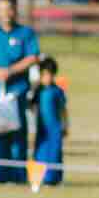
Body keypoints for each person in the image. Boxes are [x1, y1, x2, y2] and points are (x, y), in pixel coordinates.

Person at [0, 0, 40, 184]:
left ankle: (17, 175)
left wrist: (10, 71)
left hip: (17, 91)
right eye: (2, 9)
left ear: (15, 11)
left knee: (16, 131)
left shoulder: (25, 33)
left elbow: (32, 57)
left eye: (9, 9)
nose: (6, 13)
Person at [32, 57, 67, 187]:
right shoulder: (37, 91)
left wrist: (65, 125)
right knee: (40, 154)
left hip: (55, 129)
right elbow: (31, 108)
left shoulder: (58, 91)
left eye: (50, 75)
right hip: (41, 129)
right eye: (45, 75)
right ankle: (39, 178)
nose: (48, 78)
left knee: (55, 153)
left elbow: (63, 109)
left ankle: (55, 179)